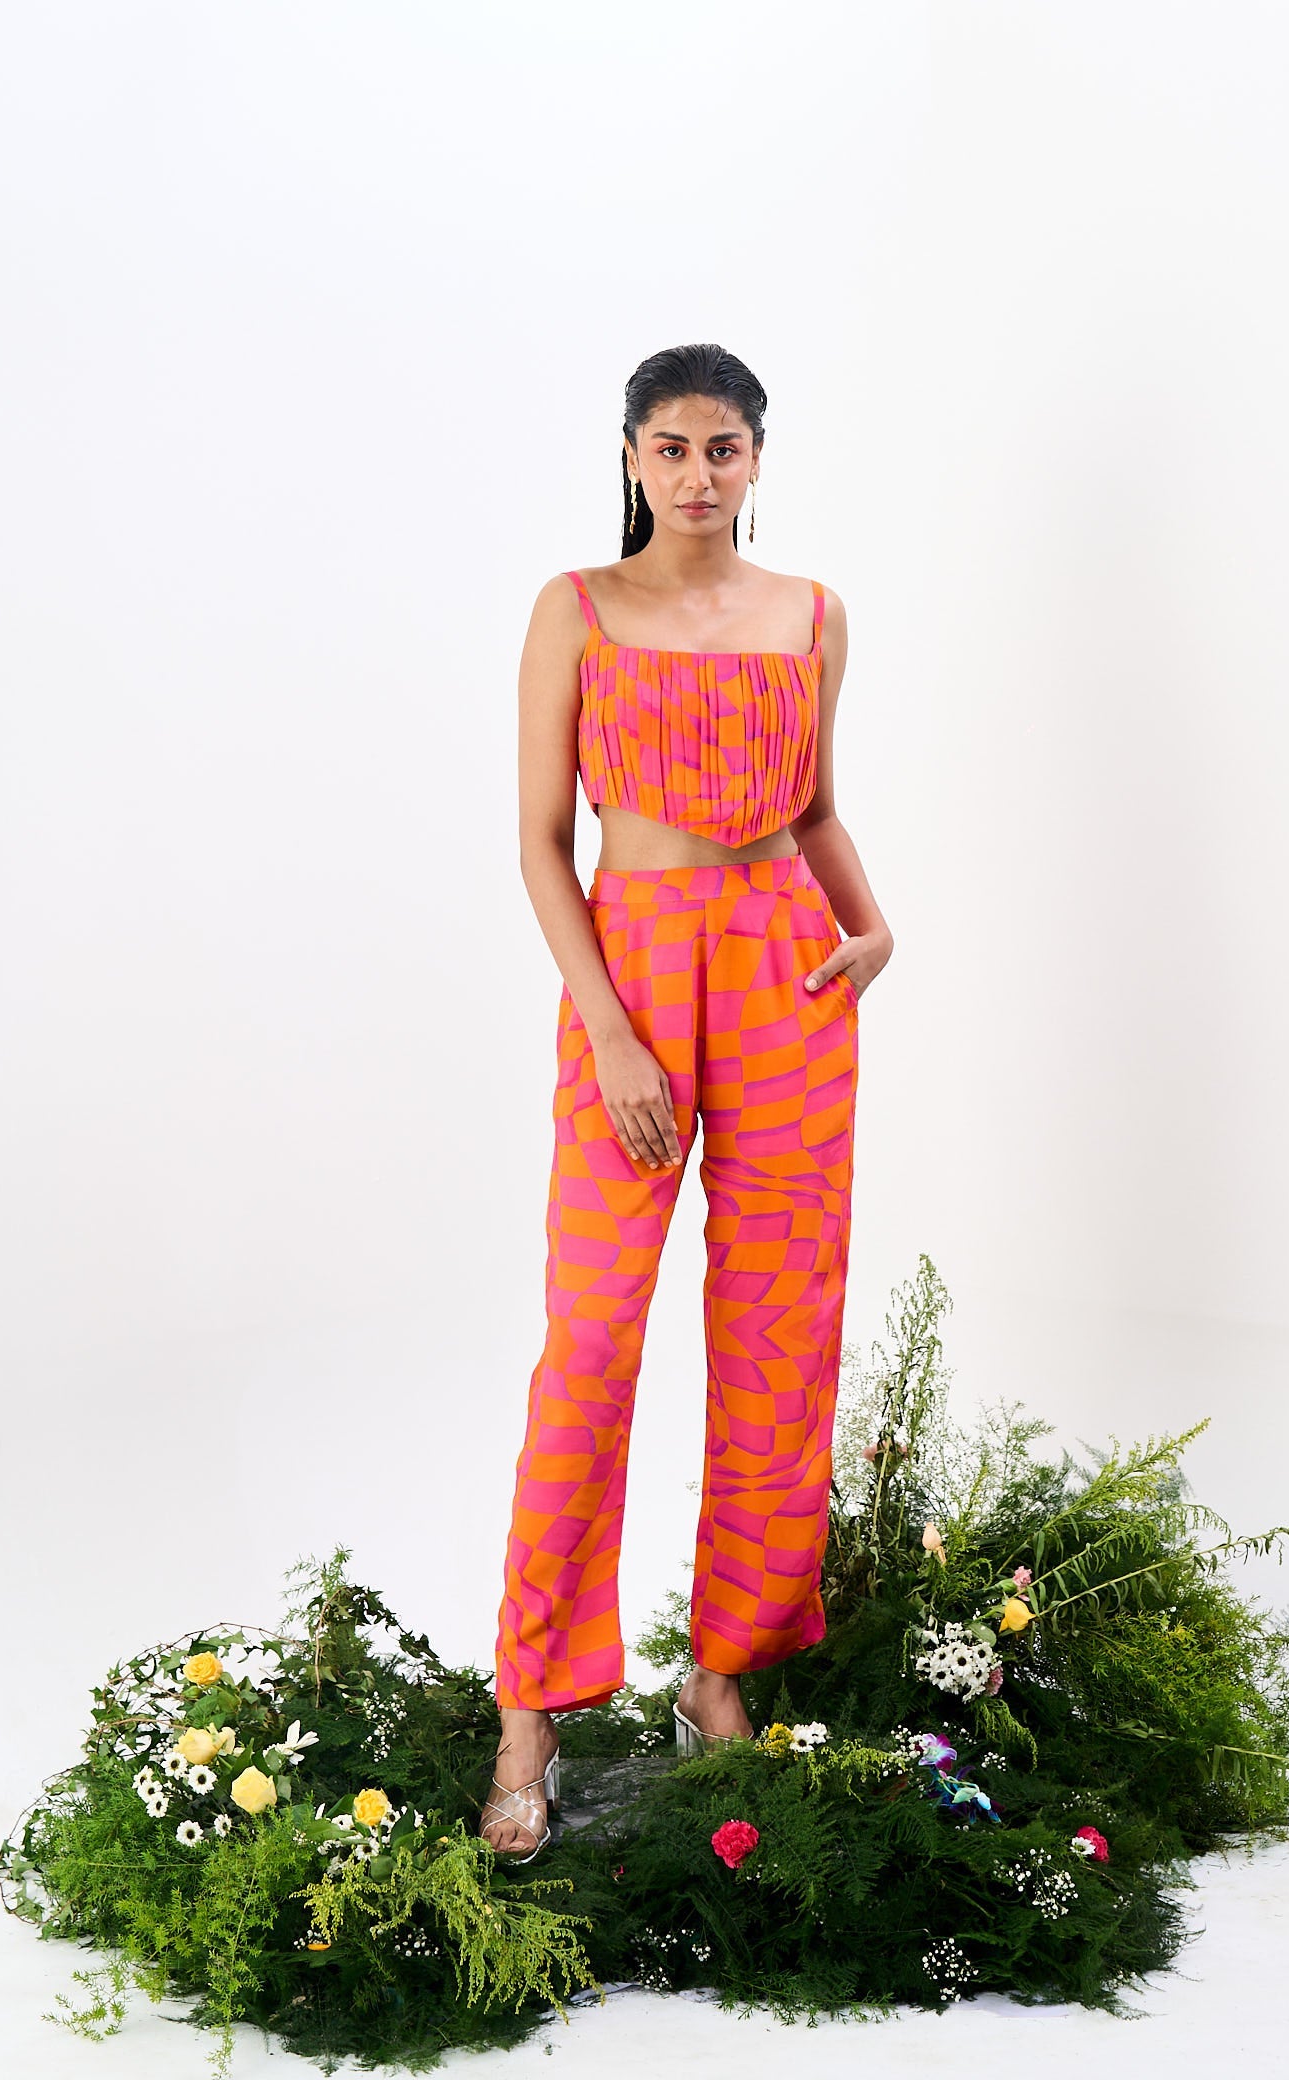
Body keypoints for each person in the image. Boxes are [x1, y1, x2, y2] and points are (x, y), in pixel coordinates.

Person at [482, 343, 893, 1860]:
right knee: (592, 1334)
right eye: (671, 448)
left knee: (783, 1321)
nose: (698, 475)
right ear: (632, 458)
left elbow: (814, 810)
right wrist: (609, 1029)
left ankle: (721, 1670)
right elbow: (543, 839)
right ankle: (533, 1706)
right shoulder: (577, 608)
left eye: (724, 448)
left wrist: (874, 927)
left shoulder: (814, 616)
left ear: (759, 458)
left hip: (788, 969)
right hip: (637, 974)